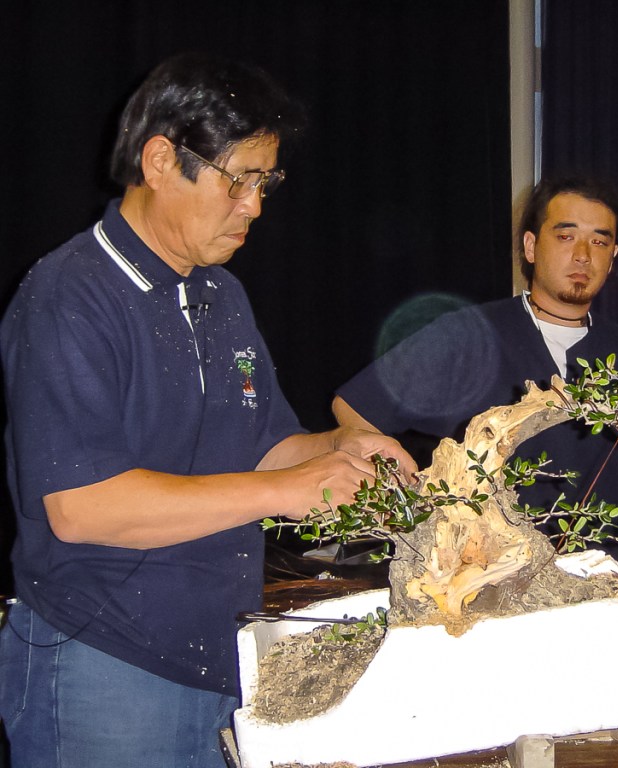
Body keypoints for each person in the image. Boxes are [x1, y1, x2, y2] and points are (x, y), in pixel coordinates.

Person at [0, 53, 413, 768]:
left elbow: (264, 446)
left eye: (265, 182)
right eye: (237, 180)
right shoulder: (68, 296)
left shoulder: (221, 296)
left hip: (224, 658)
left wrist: (338, 449)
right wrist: (285, 490)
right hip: (102, 665)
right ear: (161, 160)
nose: (254, 207)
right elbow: (81, 507)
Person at [332, 178, 618, 564]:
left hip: (594, 578)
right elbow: (355, 407)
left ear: (613, 257)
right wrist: (408, 499)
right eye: (565, 237)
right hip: (479, 574)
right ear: (531, 246)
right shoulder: (467, 337)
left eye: (598, 241)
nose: (582, 255)